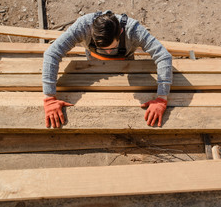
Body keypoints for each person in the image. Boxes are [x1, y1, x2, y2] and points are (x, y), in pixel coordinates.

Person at [42, 11, 172, 128]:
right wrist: (49, 98)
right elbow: (52, 54)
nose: (109, 52)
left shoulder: (133, 30)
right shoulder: (82, 26)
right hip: (94, 66)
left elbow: (163, 56)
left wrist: (161, 98)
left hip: (126, 65)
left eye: (112, 47)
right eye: (104, 49)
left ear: (120, 32)